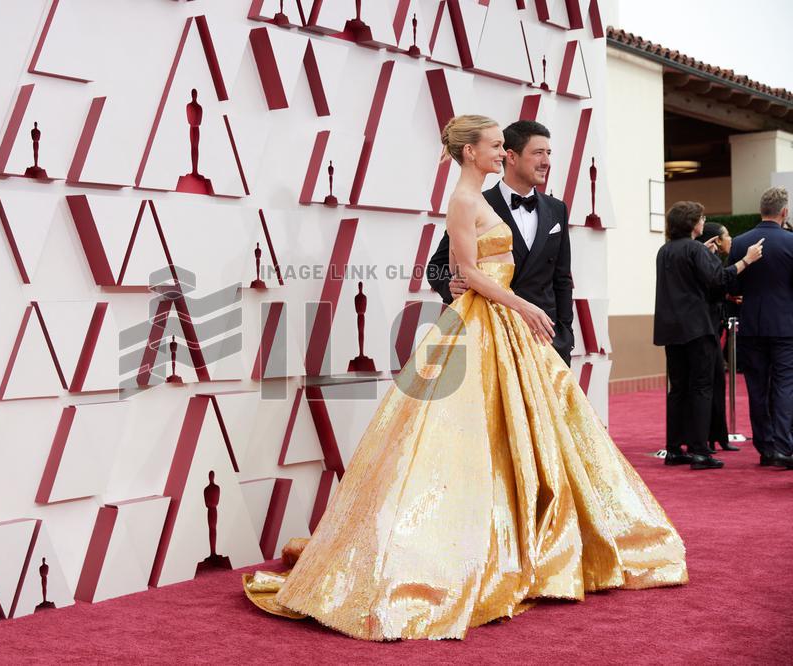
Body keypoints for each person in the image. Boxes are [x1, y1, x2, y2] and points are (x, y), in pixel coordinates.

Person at [243, 115, 687, 641]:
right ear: (476, 151)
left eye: (508, 146)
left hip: (529, 336)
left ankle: (542, 549)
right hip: (491, 325)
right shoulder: (465, 199)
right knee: (470, 443)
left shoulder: (550, 210)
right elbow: (460, 270)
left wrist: (556, 333)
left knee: (545, 443)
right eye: (503, 147)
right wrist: (479, 294)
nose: (509, 154)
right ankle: (472, 555)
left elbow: (560, 278)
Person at [426, 120, 574, 366]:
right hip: (496, 331)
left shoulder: (556, 209)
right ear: (512, 157)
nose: (546, 161)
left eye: (548, 153)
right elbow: (440, 266)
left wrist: (565, 336)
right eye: (538, 153)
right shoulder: (476, 201)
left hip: (545, 336)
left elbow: (562, 278)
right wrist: (450, 286)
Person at [654, 203, 762, 470]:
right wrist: (746, 260)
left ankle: (674, 448)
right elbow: (718, 280)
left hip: (671, 329)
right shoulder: (694, 249)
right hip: (697, 327)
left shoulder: (664, 250)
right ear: (693, 224)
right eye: (702, 218)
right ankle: (701, 451)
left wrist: (706, 255)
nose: (704, 222)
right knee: (701, 387)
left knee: (677, 389)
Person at [727, 187, 793, 469]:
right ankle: (783, 445)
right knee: (784, 385)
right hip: (785, 326)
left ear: (760, 210)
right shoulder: (791, 242)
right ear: (784, 212)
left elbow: (731, 283)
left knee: (756, 387)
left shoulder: (741, 243)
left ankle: (765, 448)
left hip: (752, 323)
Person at [694, 222, 740, 452]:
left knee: (718, 383)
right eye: (727, 235)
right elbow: (714, 285)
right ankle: (708, 439)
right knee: (710, 385)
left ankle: (719, 436)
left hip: (716, 325)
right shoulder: (705, 261)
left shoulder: (713, 259)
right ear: (717, 240)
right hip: (706, 328)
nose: (731, 239)